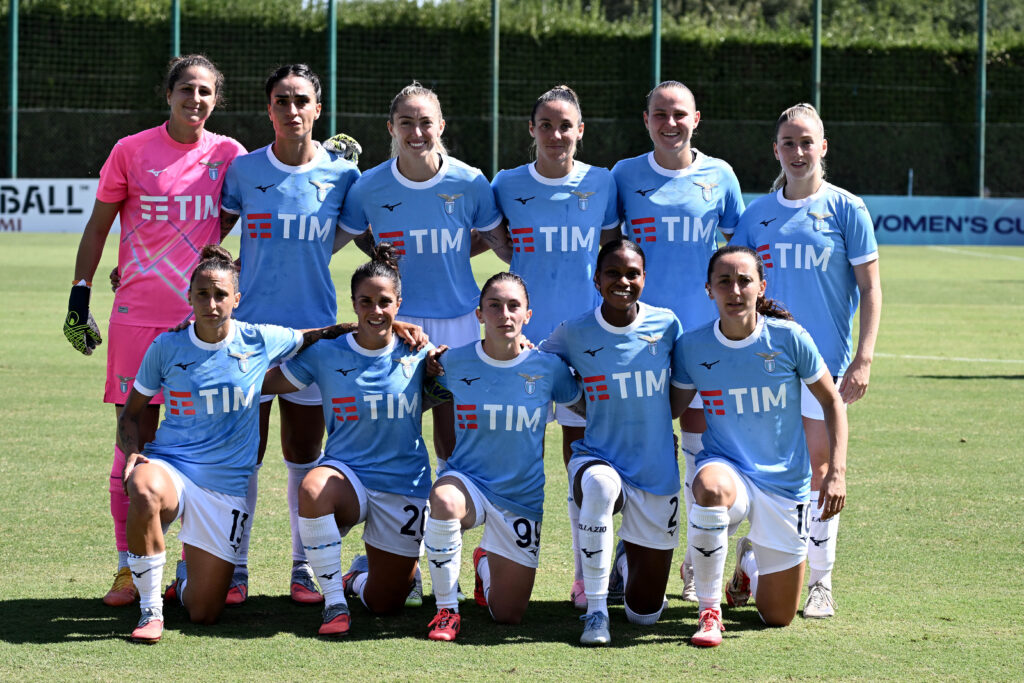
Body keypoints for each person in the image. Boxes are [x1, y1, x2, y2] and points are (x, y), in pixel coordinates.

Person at [62, 54, 246, 607]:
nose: (196, 99)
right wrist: (79, 293)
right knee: (132, 442)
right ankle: (128, 568)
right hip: (136, 315)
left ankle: (196, 563)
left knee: (201, 444)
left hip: (202, 320)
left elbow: (230, 216)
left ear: (216, 100)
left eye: (206, 92)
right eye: (186, 89)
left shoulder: (228, 154)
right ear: (167, 95)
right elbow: (100, 226)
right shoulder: (131, 150)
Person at [118, 245, 351, 643]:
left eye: (221, 294)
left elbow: (316, 335)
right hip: (173, 467)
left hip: (225, 488)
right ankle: (150, 611)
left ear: (236, 299)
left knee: (205, 613)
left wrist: (385, 328)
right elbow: (131, 412)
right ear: (189, 298)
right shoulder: (166, 347)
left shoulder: (260, 340)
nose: (211, 303)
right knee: (143, 487)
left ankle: (184, 578)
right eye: (203, 294)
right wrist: (132, 452)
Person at [337, 81, 510, 605]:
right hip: (394, 327)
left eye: (426, 122)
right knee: (396, 443)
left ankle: (459, 556)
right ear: (391, 129)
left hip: (458, 327)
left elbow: (500, 241)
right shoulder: (368, 187)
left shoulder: (471, 181)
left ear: (442, 126)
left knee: (456, 444)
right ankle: (393, 558)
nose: (417, 131)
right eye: (406, 122)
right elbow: (343, 240)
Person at [217, 64, 363, 605]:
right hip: (247, 339)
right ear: (269, 107)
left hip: (313, 337)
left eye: (302, 99)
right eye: (282, 99)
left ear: (318, 109)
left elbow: (365, 243)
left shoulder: (342, 177)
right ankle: (235, 569)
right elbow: (208, 239)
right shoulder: (243, 171)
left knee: (304, 453)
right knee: (243, 455)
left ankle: (305, 569)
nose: (293, 109)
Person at [731, 103, 880, 618]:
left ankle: (821, 579)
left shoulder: (846, 210)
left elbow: (870, 286)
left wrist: (864, 356)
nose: (797, 152)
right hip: (765, 364)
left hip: (824, 366)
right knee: (763, 466)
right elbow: (735, 286)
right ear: (776, 150)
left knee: (820, 469)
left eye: (806, 142)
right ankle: (757, 556)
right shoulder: (757, 215)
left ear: (823, 146)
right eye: (788, 143)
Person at [672, 245, 847, 647]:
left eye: (744, 280)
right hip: (726, 467)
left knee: (777, 616)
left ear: (760, 287)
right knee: (711, 489)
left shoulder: (789, 338)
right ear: (709, 289)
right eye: (724, 281)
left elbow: (831, 402)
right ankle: (709, 611)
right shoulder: (692, 347)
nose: (735, 290)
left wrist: (836, 472)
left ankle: (749, 563)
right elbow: (670, 408)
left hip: (784, 485)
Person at [610, 81, 745, 602]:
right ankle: (628, 551)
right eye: (660, 114)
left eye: (680, 114)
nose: (671, 123)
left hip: (699, 338)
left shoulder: (721, 175)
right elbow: (608, 254)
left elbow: (739, 254)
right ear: (645, 120)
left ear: (697, 119)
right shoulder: (624, 175)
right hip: (639, 337)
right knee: (639, 444)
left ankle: (696, 560)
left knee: (698, 451)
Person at [260, 244, 436, 637]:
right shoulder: (326, 354)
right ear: (353, 303)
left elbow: (462, 379)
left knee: (386, 603)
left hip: (403, 484)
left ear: (399, 303)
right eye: (366, 302)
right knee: (313, 486)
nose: (376, 311)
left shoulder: (419, 352)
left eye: (385, 302)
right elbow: (264, 384)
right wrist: (214, 357)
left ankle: (356, 577)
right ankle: (335, 604)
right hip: (347, 475)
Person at [490, 86, 619, 611]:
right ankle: (491, 557)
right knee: (511, 454)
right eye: (546, 124)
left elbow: (610, 255)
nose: (556, 134)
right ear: (532, 129)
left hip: (582, 345)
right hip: (519, 342)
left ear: (580, 131)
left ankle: (586, 573)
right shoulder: (506, 183)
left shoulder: (602, 182)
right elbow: (494, 240)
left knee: (578, 458)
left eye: (566, 125)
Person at [539, 238, 688, 646]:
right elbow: (535, 362)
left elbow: (682, 391)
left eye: (632, 273)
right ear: (596, 279)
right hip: (598, 457)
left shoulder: (667, 325)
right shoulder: (575, 330)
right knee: (601, 487)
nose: (622, 281)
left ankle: (622, 558)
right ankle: (597, 611)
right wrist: (574, 398)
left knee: (644, 615)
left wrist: (662, 425)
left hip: (655, 471)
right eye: (613, 273)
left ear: (644, 278)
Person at [422, 272, 582, 641]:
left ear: (528, 315)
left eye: (514, 306)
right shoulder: (453, 362)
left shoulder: (548, 368)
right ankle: (446, 610)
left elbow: (588, 409)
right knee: (444, 499)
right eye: (494, 306)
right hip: (469, 482)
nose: (504, 314)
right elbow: (413, 392)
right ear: (479, 314)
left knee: (508, 616)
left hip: (520, 497)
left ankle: (485, 566)